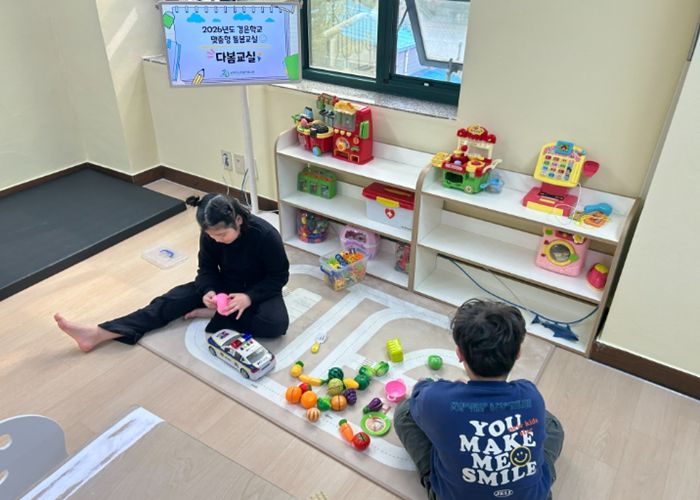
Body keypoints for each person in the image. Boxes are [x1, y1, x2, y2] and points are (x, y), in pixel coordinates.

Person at [55, 193, 290, 352]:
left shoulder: (265, 235)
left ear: (238, 220)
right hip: (225, 284)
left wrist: (248, 298)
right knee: (171, 300)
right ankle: (98, 333)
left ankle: (214, 314)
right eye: (212, 236)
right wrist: (208, 290)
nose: (217, 240)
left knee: (276, 324)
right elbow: (206, 269)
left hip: (259, 289)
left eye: (222, 235)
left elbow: (278, 276)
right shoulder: (210, 236)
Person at [394, 299, 564, 500]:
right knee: (551, 424)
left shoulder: (437, 398)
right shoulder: (531, 394)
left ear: (459, 354)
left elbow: (419, 393)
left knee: (405, 412)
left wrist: (431, 386)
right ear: (518, 353)